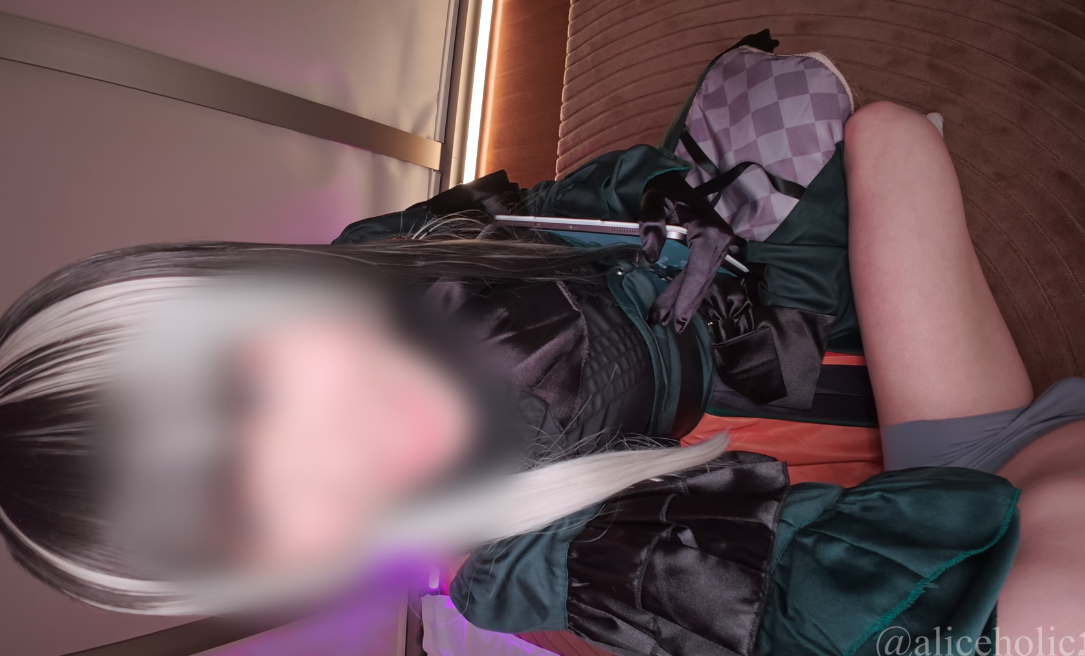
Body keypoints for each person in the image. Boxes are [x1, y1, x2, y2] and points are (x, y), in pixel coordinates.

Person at [0, 100, 1082, 654]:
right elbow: (805, 606)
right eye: (255, 509)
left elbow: (573, 204)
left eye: (253, 392)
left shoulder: (384, 254)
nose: (328, 451)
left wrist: (681, 218)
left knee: (883, 134)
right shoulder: (509, 557)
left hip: (794, 330)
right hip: (910, 472)